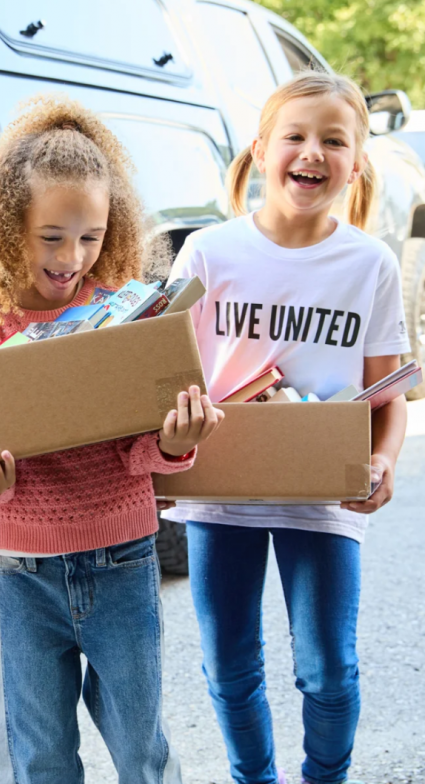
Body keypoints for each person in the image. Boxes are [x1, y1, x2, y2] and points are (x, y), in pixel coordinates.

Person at [0, 96, 224, 784]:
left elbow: (139, 449)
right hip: (24, 572)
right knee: (39, 755)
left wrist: (175, 441)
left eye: (91, 236)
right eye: (52, 236)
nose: (73, 257)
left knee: (140, 748)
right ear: (9, 230)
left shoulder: (122, 316)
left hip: (121, 557)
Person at [167, 71, 410, 784]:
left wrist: (385, 461)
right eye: (295, 136)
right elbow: (163, 371)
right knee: (230, 664)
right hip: (222, 490)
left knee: (329, 670)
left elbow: (387, 393)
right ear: (260, 149)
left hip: (323, 495)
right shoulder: (210, 252)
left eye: (333, 140)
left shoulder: (370, 263)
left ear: (356, 162)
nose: (313, 152)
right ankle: (254, 778)